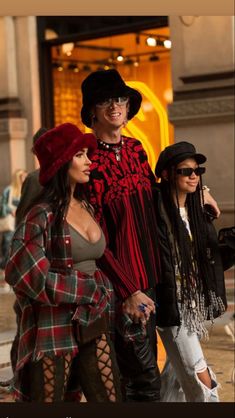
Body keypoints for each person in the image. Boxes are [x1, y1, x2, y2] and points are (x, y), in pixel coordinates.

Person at [80, 69, 220, 402]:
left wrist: (202, 195)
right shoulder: (89, 162)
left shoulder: (137, 150)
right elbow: (95, 238)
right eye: (105, 101)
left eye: (120, 99)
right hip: (126, 288)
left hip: (161, 276)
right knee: (142, 383)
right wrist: (128, 290)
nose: (115, 106)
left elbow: (160, 197)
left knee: (180, 366)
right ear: (92, 111)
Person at [4, 123, 122, 402]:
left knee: (111, 398)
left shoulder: (88, 206)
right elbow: (22, 272)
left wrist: (104, 291)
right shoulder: (41, 214)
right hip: (53, 325)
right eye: (80, 155)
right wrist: (85, 289)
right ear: (61, 162)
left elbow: (100, 261)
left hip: (92, 316)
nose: (88, 161)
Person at [152, 141, 227, 402]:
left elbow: (207, 257)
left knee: (174, 386)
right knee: (202, 382)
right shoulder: (155, 210)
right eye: (185, 171)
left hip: (192, 306)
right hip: (171, 306)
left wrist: (205, 194)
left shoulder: (196, 212)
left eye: (197, 170)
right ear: (167, 174)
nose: (194, 176)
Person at [0, 169, 27, 269]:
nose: (25, 178)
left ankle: (15, 267)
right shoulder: (9, 190)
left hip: (21, 221)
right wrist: (11, 210)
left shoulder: (25, 190)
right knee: (8, 244)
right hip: (11, 222)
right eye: (23, 176)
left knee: (20, 245)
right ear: (18, 178)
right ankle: (6, 267)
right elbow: (2, 205)